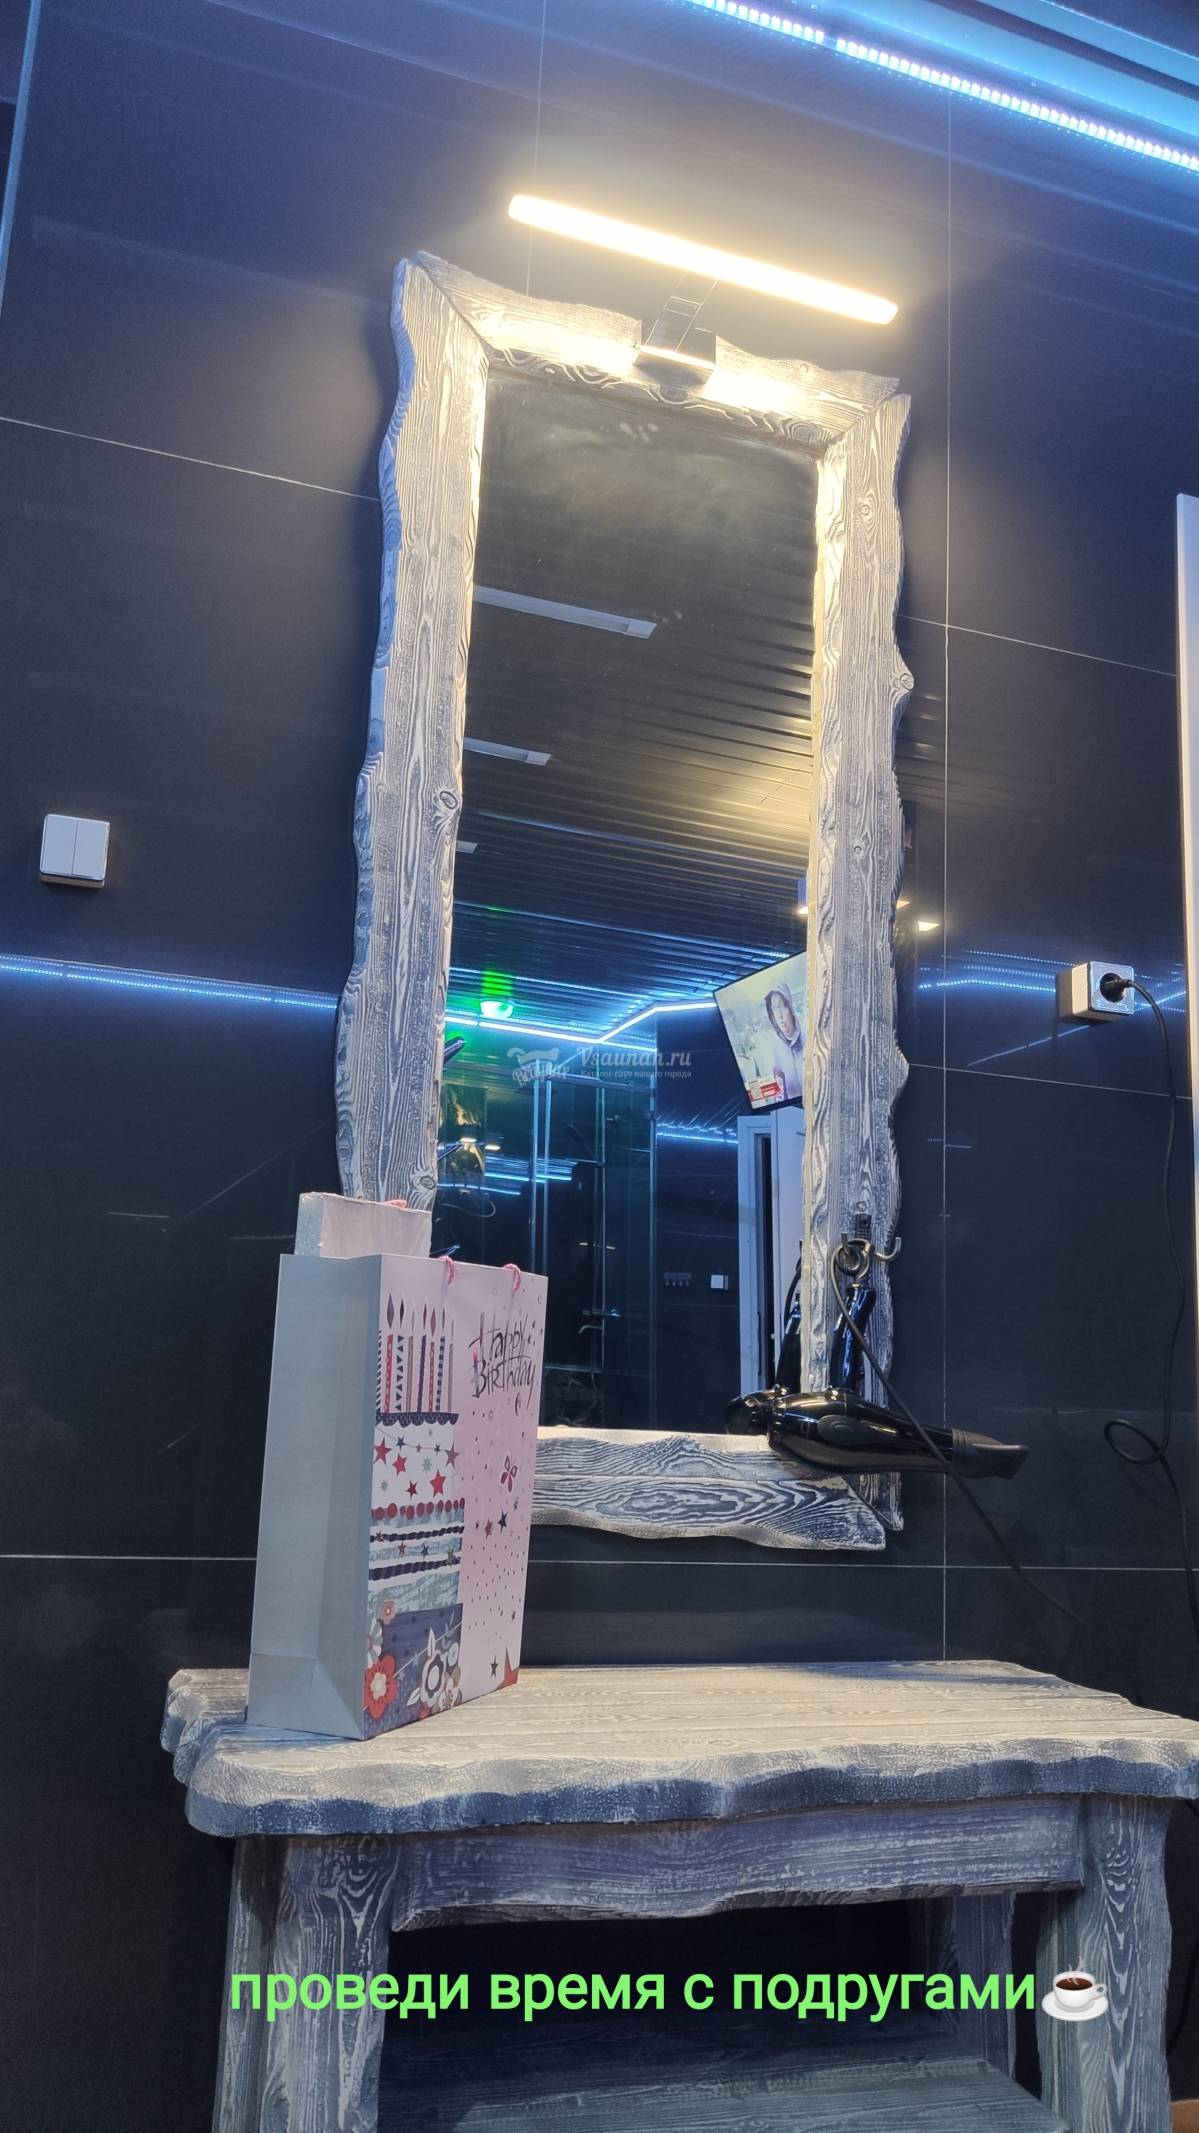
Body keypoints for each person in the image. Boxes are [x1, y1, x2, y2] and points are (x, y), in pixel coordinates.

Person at [764, 983, 804, 1100]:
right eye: (775, 1008)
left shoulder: (810, 1036)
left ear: (790, 1008)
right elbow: (779, 1094)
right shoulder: (775, 1049)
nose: (779, 1015)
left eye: (782, 1006)